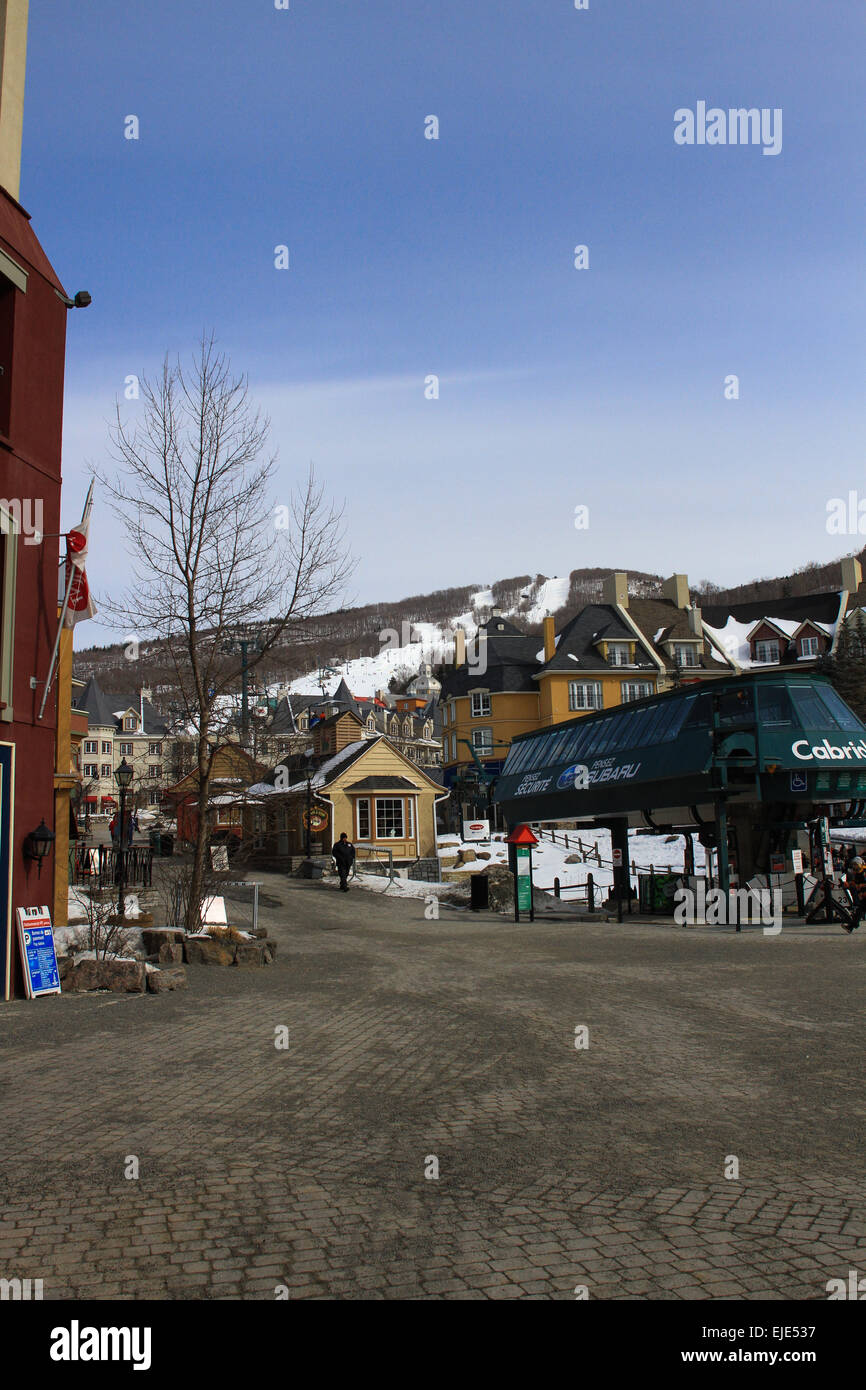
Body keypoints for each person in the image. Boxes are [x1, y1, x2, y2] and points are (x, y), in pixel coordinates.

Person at [844, 856, 866, 931]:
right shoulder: (857, 873)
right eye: (853, 865)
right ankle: (852, 926)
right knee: (860, 909)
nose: (855, 867)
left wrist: (859, 886)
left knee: (860, 909)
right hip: (863, 895)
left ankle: (852, 926)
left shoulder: (864, 872)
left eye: (856, 865)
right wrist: (848, 884)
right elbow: (855, 883)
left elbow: (861, 884)